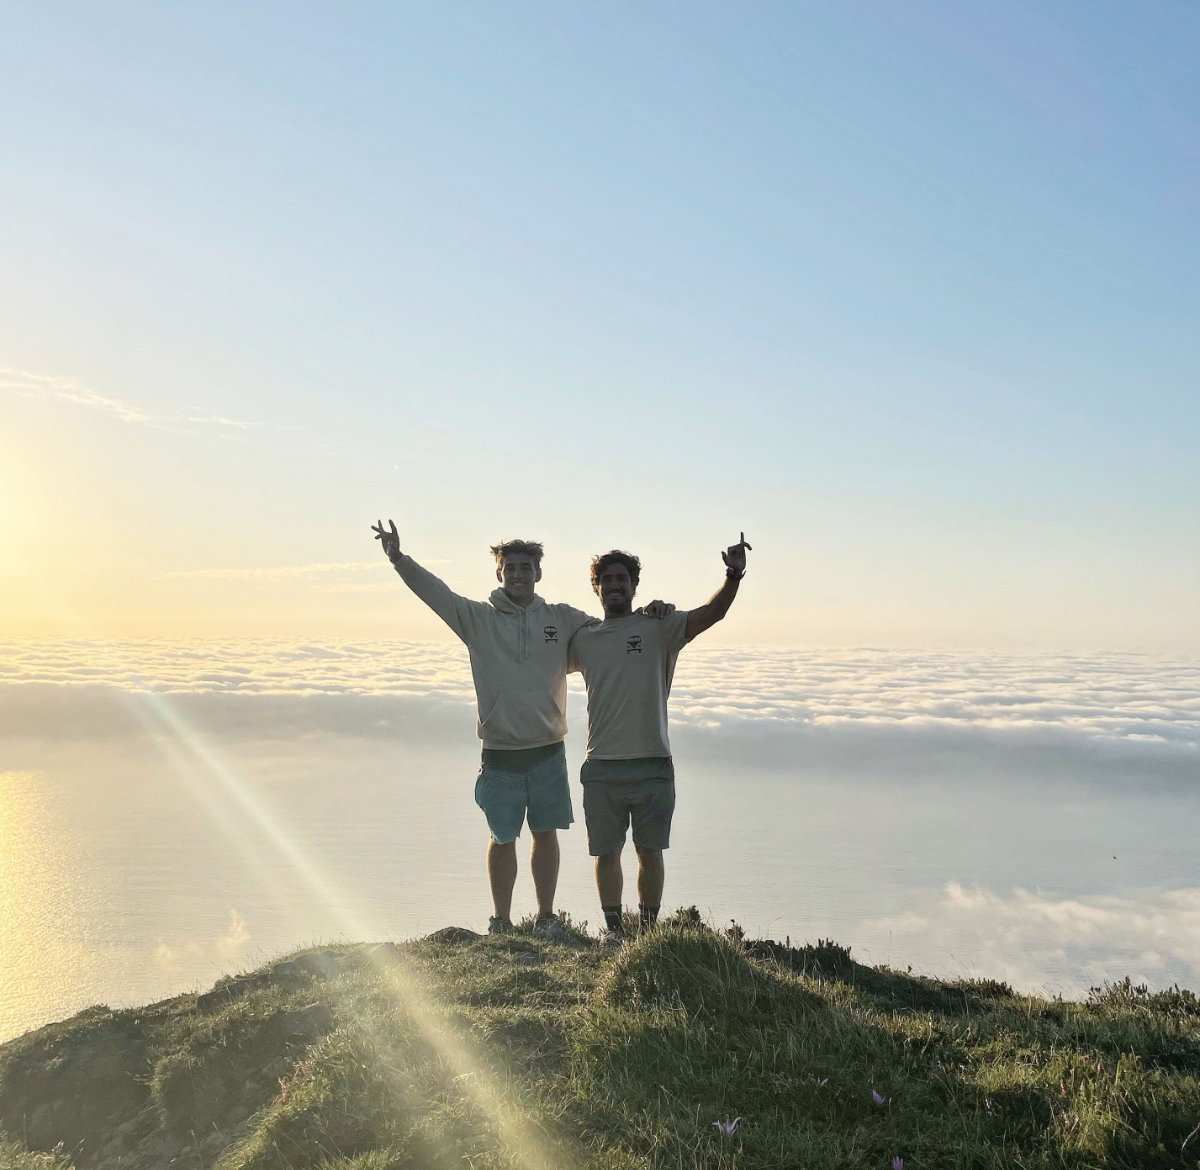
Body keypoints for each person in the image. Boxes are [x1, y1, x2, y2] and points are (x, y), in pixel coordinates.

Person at [371, 520, 672, 936]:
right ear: (499, 572)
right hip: (499, 751)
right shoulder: (478, 619)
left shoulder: (563, 619)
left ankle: (546, 917)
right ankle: (502, 920)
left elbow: (611, 630)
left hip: (548, 749)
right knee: (502, 837)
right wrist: (399, 559)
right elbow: (436, 594)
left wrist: (650, 612)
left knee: (545, 834)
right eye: (509, 567)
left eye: (525, 567)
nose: (517, 574)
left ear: (538, 572)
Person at [568, 533, 752, 946]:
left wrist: (733, 574)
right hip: (601, 766)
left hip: (652, 762)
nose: (615, 585)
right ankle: (615, 933)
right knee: (606, 853)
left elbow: (712, 613)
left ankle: (647, 934)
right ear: (596, 587)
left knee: (650, 852)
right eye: (607, 579)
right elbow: (539, 666)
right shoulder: (584, 638)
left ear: (634, 586)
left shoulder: (659, 627)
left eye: (623, 579)